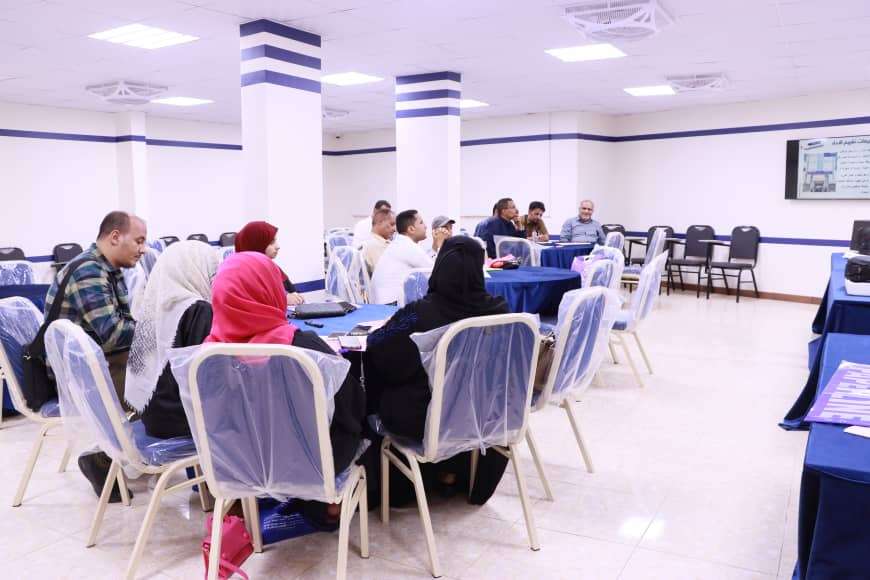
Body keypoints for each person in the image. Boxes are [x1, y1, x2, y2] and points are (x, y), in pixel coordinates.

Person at [363, 236, 510, 503]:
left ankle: (391, 485)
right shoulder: (500, 312)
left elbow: (377, 346)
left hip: (426, 418)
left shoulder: (419, 313)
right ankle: (452, 472)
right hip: (483, 414)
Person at [207, 251, 366, 476]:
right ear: (269, 289)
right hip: (311, 467)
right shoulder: (301, 346)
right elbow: (350, 403)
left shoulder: (208, 354)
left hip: (237, 469)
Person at [44, 210, 146, 501]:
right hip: (79, 375)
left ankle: (125, 449)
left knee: (158, 371)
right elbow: (113, 333)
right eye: (139, 240)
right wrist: (155, 330)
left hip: (95, 363)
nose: (143, 249)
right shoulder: (89, 272)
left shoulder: (105, 269)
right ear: (115, 237)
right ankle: (101, 457)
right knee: (162, 385)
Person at [125, 241, 218, 439]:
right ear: (195, 271)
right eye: (212, 272)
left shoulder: (153, 304)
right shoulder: (199, 309)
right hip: (180, 419)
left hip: (150, 412)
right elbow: (206, 377)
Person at [235, 221, 305, 306]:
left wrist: (297, 297)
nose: (278, 247)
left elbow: (292, 291)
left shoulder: (273, 268)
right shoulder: (242, 275)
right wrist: (283, 298)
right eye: (271, 243)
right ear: (256, 244)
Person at [370, 209, 432, 304]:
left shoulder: (400, 243)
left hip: (383, 303)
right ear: (411, 229)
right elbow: (436, 271)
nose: (426, 226)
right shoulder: (407, 246)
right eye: (421, 223)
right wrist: (441, 244)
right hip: (391, 305)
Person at [361, 208, 396, 275]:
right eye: (392, 224)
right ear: (380, 222)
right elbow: (385, 273)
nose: (394, 229)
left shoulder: (383, 243)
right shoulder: (373, 245)